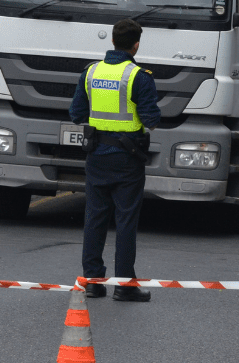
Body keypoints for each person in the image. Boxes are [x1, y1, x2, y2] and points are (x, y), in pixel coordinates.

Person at [69, 18, 161, 302]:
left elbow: (76, 114)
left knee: (94, 218)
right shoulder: (139, 77)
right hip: (127, 159)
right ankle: (124, 285)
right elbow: (151, 120)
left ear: (112, 41)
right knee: (126, 221)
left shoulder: (91, 72)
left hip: (96, 155)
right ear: (136, 45)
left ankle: (93, 282)